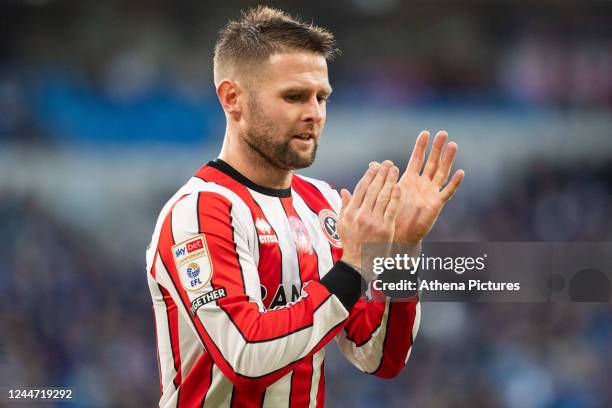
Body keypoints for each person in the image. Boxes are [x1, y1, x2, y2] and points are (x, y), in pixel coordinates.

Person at [146, 6, 464, 407]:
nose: (314, 113)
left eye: (322, 97)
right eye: (294, 96)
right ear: (232, 99)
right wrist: (352, 269)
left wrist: (401, 250)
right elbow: (246, 354)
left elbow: (380, 357)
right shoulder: (198, 213)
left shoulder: (325, 205)